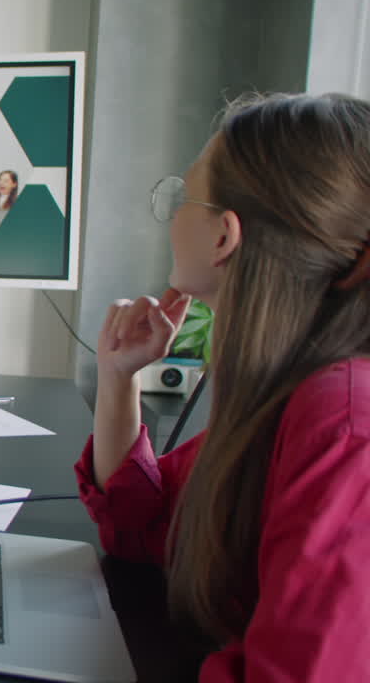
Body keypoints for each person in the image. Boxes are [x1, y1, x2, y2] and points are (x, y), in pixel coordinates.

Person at [78, 92, 370, 681]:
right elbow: (149, 528)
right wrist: (117, 377)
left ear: (223, 237)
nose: (172, 214)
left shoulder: (343, 422)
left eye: (185, 197)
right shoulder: (290, 386)